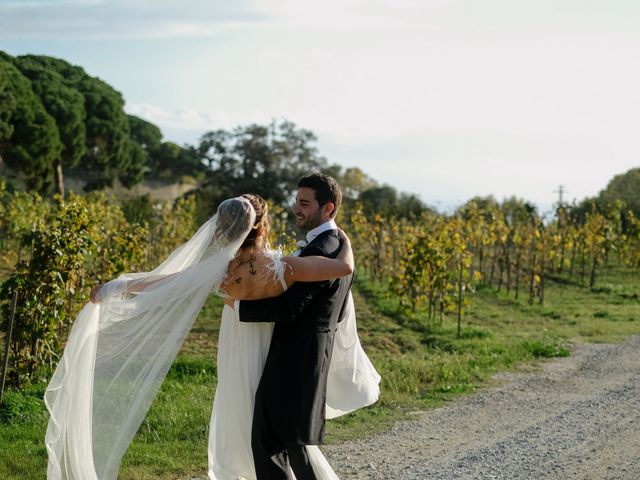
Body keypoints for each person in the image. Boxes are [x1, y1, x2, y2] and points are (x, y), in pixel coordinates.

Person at [44, 193, 379, 480]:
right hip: (272, 351)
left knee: (250, 418)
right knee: (280, 432)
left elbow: (171, 282)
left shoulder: (223, 270)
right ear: (263, 227)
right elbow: (341, 268)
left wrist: (120, 285)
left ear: (224, 229)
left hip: (236, 348)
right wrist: (345, 243)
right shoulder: (281, 266)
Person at [231, 173, 365, 480]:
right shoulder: (334, 242)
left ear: (328, 208)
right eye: (296, 202)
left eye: (304, 203)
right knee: (286, 443)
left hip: (297, 359)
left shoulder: (324, 247)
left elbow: (290, 307)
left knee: (279, 443)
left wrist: (237, 305)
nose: (297, 209)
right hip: (305, 356)